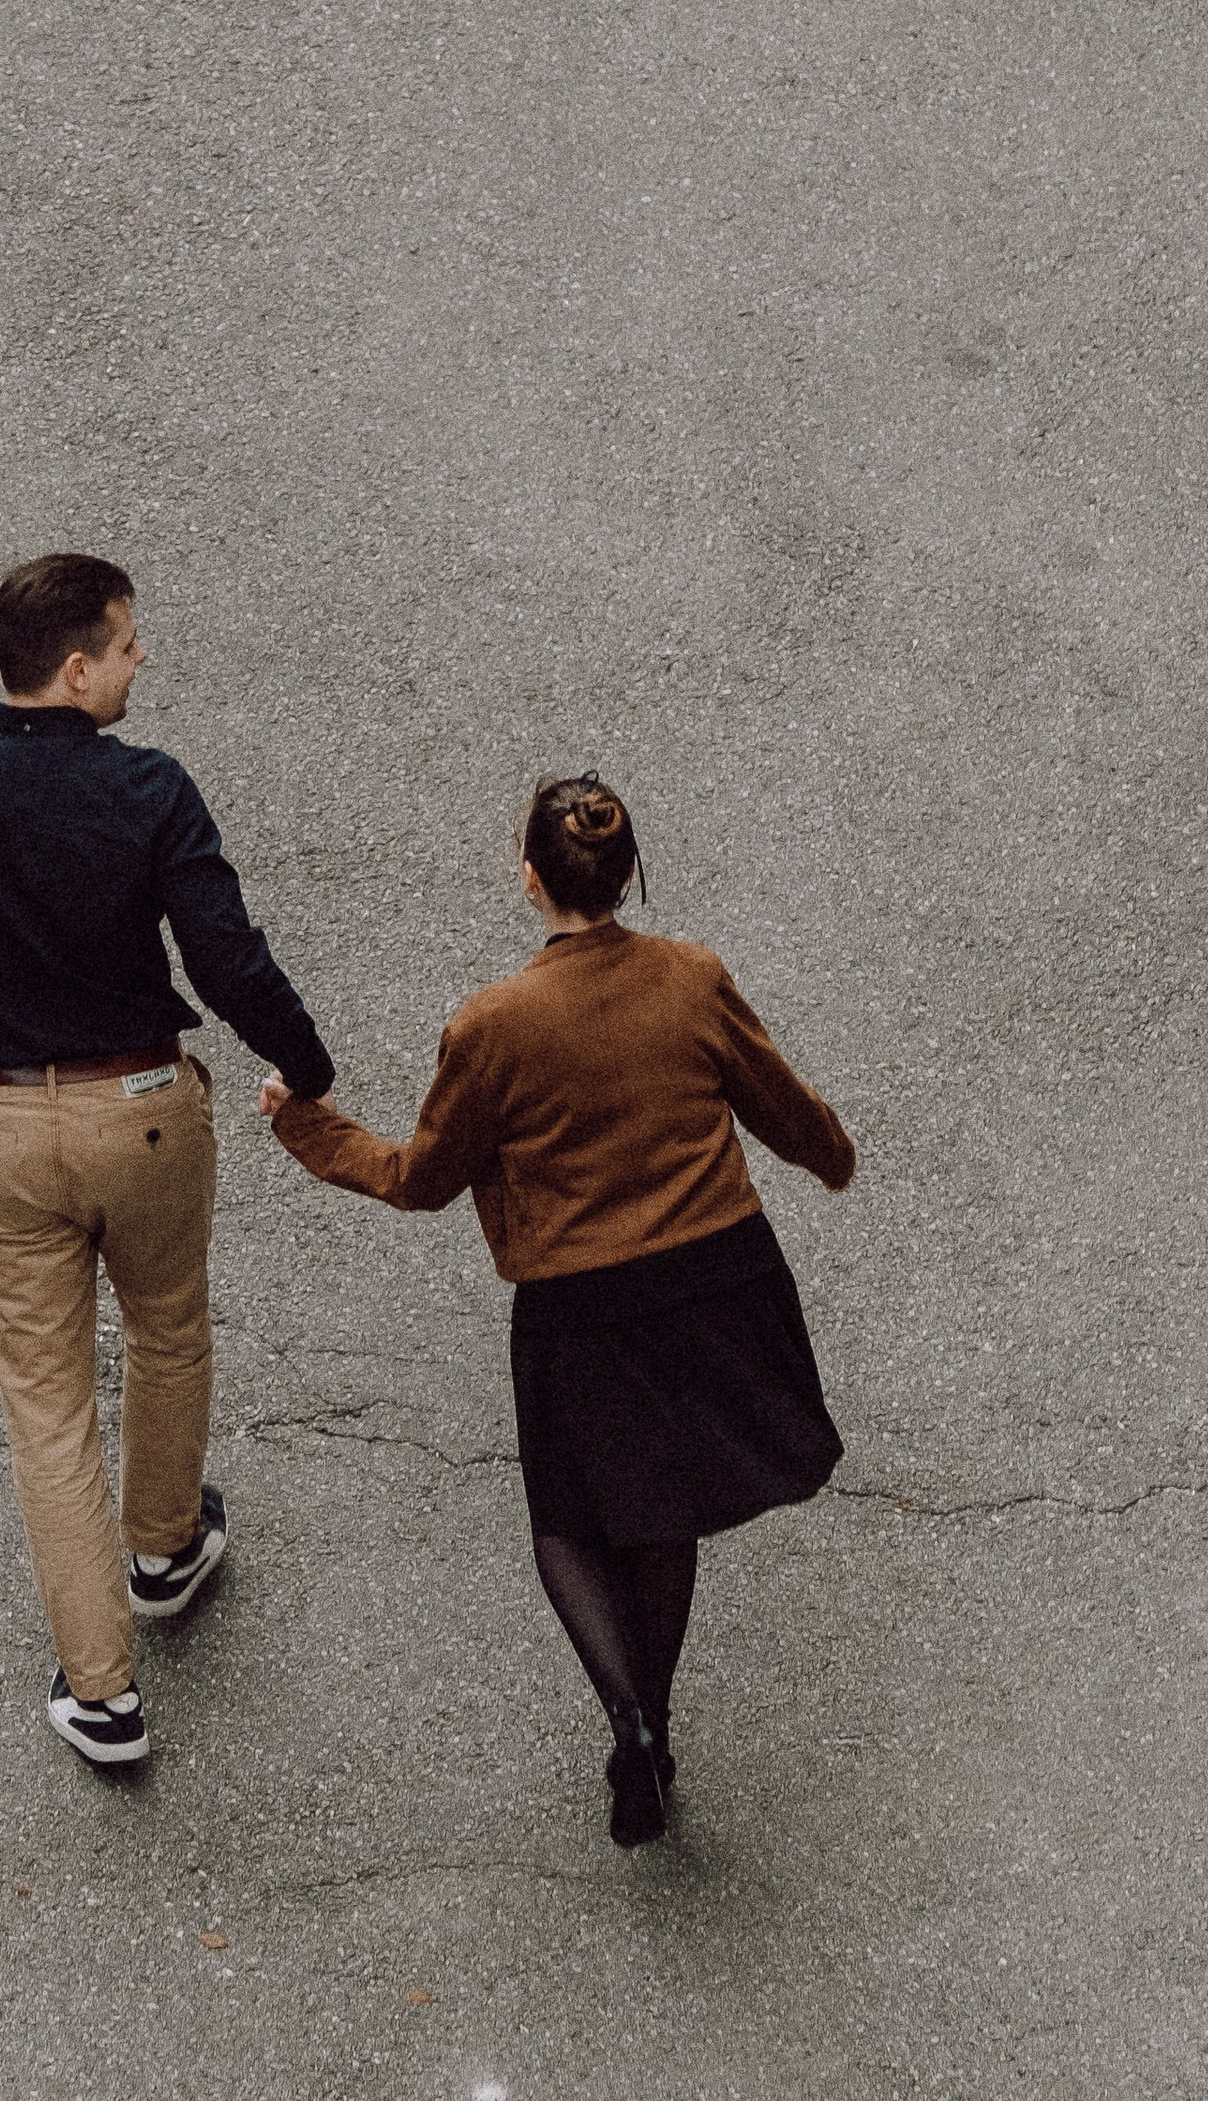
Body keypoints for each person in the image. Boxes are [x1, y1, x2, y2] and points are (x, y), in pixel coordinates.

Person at [261, 774, 853, 1847]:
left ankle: (625, 1721)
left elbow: (422, 1178)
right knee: (663, 1513)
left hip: (580, 1302)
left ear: (528, 878)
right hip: (717, 1275)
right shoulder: (691, 976)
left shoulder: (495, 1024)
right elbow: (780, 1105)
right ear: (625, 873)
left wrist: (309, 1129)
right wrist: (832, 1158)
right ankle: (657, 1719)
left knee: (570, 1521)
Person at [0, 552, 334, 1770]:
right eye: (129, 641)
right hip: (144, 1111)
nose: (142, 658)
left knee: (48, 1410)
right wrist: (305, 1068)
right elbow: (227, 960)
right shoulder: (148, 790)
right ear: (77, 665)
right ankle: (164, 1548)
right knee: (167, 1327)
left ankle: (101, 1694)